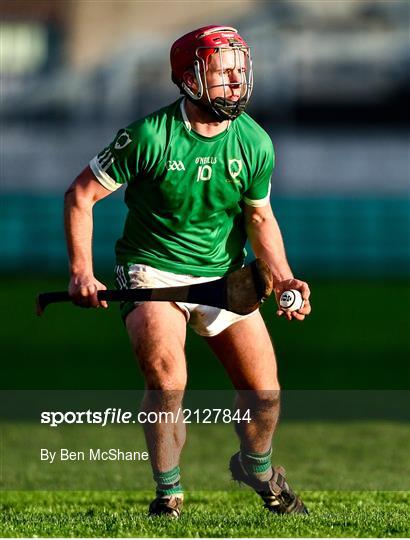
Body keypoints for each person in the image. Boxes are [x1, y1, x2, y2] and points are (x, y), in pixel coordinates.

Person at [64, 25, 311, 518]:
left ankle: (257, 468)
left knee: (265, 395)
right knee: (166, 377)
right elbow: (81, 196)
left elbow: (259, 218)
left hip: (225, 275)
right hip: (151, 270)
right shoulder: (147, 136)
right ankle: (169, 493)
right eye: (222, 73)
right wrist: (82, 272)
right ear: (189, 79)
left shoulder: (254, 142)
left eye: (239, 71)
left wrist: (282, 277)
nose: (235, 82)